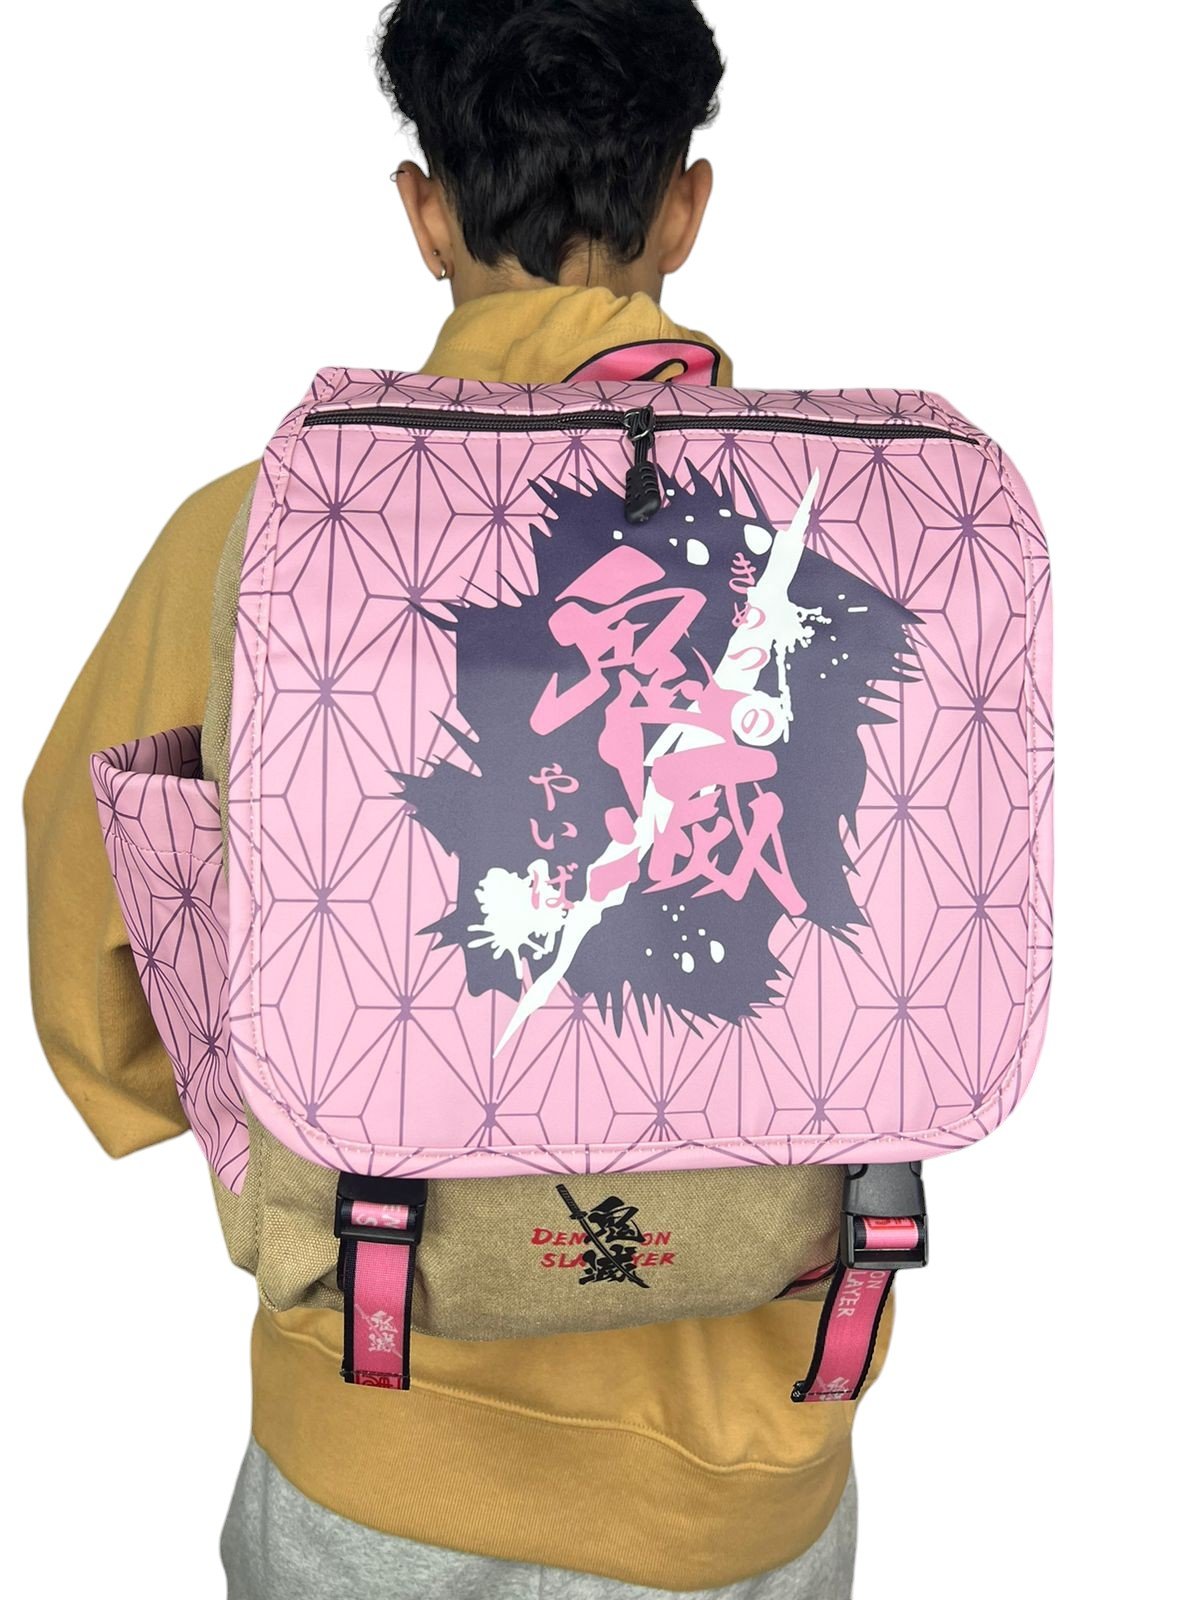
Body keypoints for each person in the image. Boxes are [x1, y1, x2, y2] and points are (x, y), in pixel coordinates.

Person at [25, 4, 886, 1595]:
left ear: (425, 213)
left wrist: (264, 1129)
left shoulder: (256, 536)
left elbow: (98, 976)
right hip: (755, 1467)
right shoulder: (866, 539)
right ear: (686, 206)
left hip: (379, 1434)